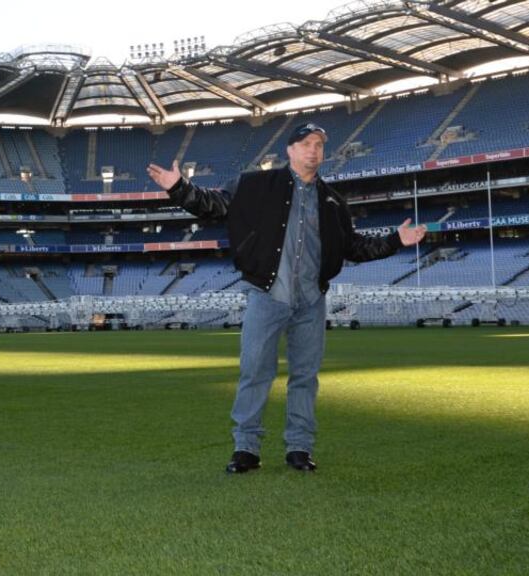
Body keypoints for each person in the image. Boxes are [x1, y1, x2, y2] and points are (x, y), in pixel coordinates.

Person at [147, 122, 427, 474]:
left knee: (305, 378)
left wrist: (395, 241)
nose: (314, 150)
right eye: (306, 143)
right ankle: (246, 448)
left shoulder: (333, 201)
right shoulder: (255, 184)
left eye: (319, 145)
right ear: (290, 150)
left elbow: (353, 247)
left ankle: (299, 448)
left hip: (311, 300)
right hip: (267, 295)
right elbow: (215, 206)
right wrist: (179, 188)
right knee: (255, 373)